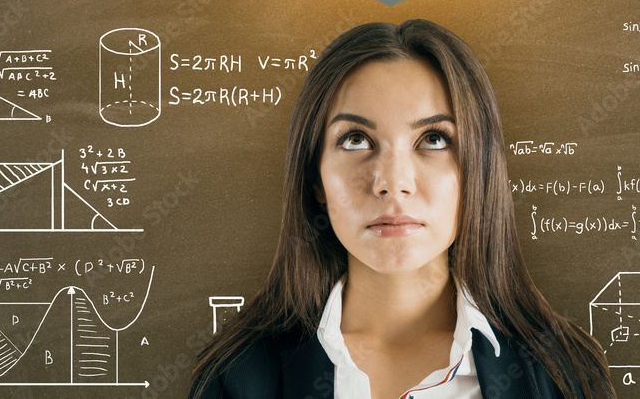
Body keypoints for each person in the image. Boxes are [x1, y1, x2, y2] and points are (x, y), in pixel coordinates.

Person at [190, 20, 615, 398]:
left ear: (477, 172)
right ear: (315, 178)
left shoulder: (562, 375)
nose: (393, 183)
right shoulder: (239, 377)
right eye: (355, 139)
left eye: (434, 139)